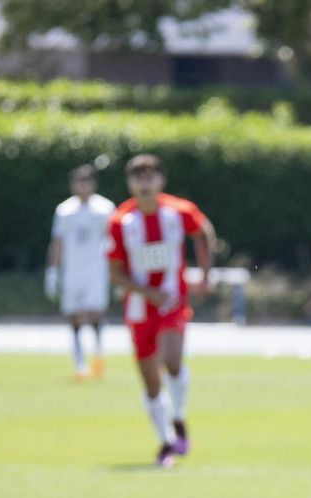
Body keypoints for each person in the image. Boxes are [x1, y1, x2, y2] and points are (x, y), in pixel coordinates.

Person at [106, 153, 216, 468]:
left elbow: (204, 231)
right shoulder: (120, 221)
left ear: (161, 181)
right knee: (149, 378)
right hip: (140, 306)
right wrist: (146, 292)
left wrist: (206, 274)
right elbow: (115, 272)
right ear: (130, 183)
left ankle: (178, 417)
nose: (144, 183)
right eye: (138, 177)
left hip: (172, 300)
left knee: (171, 360)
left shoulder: (178, 212)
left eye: (150, 176)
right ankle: (166, 439)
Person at [45, 164, 116, 381]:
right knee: (74, 316)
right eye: (78, 181)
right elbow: (57, 242)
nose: (83, 185)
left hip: (96, 270)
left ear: (93, 184)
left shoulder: (105, 208)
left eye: (86, 181)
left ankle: (98, 358)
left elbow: (115, 240)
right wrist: (52, 272)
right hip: (73, 271)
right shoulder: (64, 210)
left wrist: (117, 271)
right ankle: (79, 363)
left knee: (95, 314)